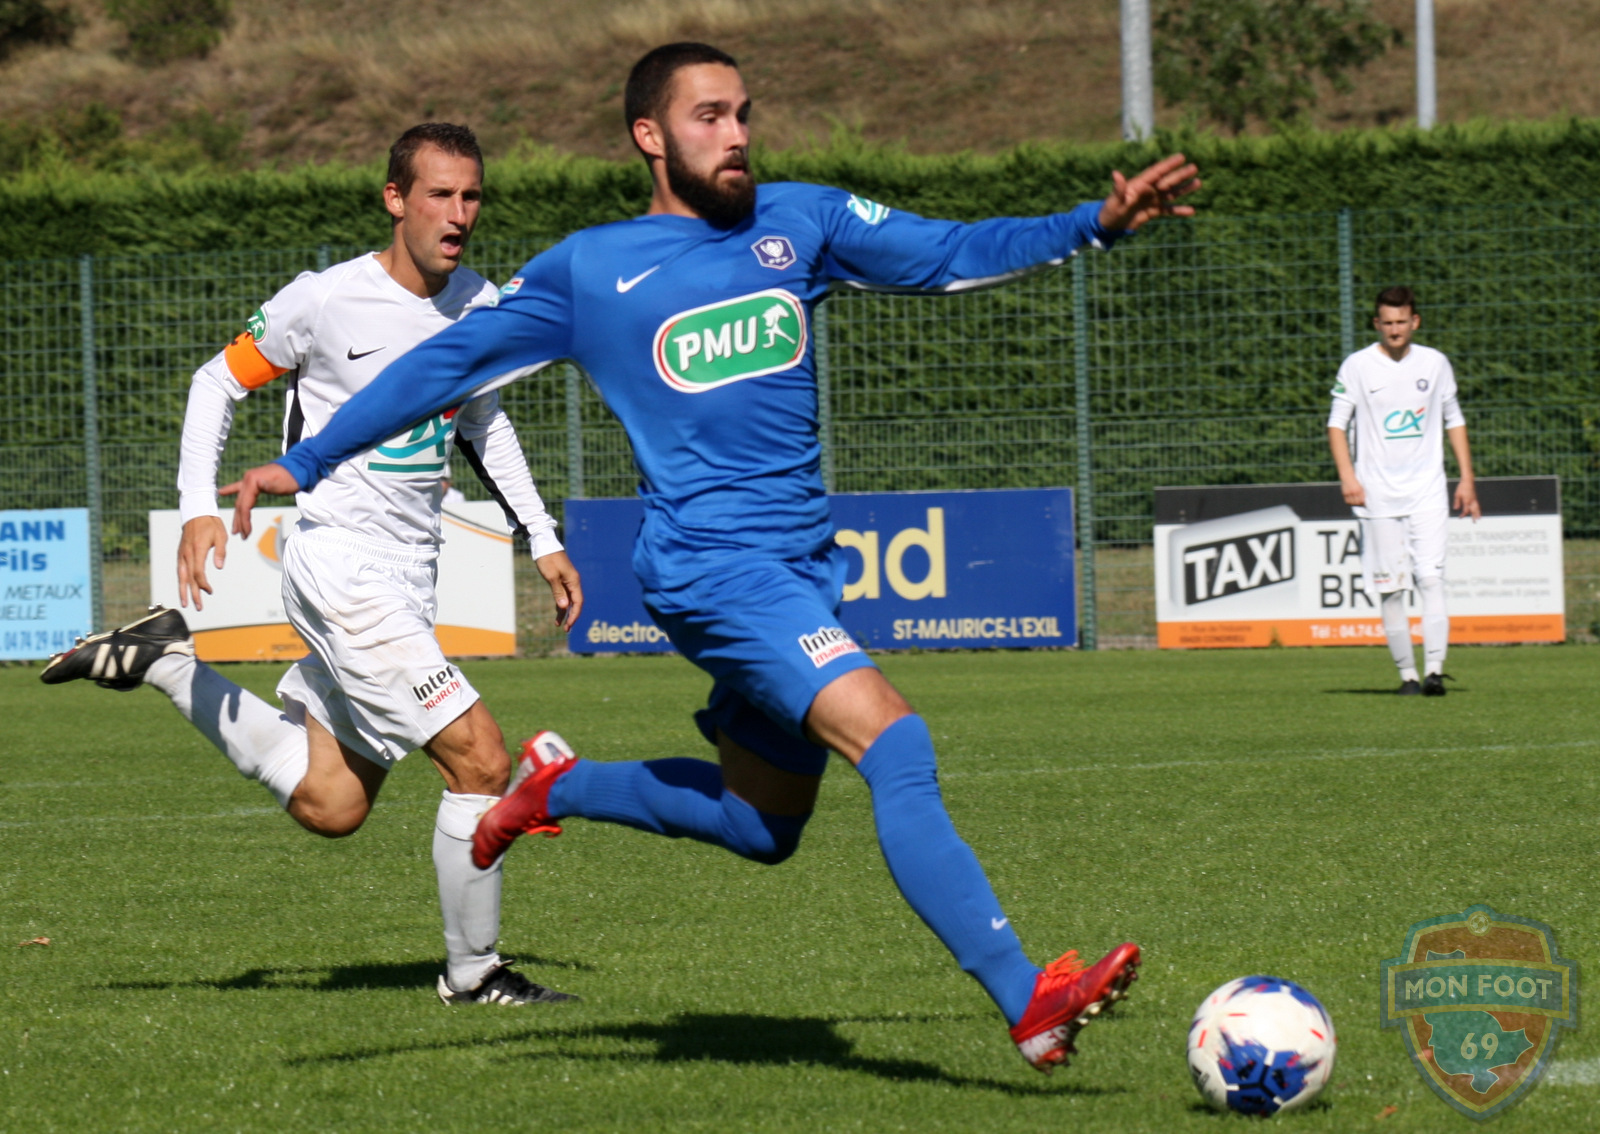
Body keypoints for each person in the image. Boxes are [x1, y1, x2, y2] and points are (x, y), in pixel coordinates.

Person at [224, 43, 1200, 1072]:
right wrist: (311, 458)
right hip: (708, 570)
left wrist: (1092, 224)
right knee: (896, 746)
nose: (735, 135)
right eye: (707, 118)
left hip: (797, 569)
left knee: (760, 825)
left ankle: (554, 788)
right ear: (650, 136)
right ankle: (1026, 999)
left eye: (742, 114)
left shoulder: (803, 222)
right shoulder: (589, 271)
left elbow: (950, 251)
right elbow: (442, 366)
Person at [41, 123, 584, 1008]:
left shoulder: (482, 304)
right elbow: (215, 381)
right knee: (481, 763)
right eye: (440, 195)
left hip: (410, 573)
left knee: (333, 803)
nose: (459, 214)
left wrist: (542, 532)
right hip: (341, 565)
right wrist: (196, 513)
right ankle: (474, 975)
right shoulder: (325, 300)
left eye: (472, 195)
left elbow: (484, 423)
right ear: (395, 200)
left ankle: (167, 663)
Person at [1328, 285, 1479, 696]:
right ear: (1377, 324)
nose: (1395, 330)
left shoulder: (1435, 364)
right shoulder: (1357, 366)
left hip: (1427, 491)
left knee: (1431, 579)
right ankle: (1407, 677)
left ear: (1415, 322)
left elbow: (1454, 419)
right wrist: (1348, 477)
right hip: (1376, 495)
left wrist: (1466, 479)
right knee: (1392, 588)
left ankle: (1433, 672)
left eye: (1402, 322)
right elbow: (1336, 425)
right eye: (1387, 323)